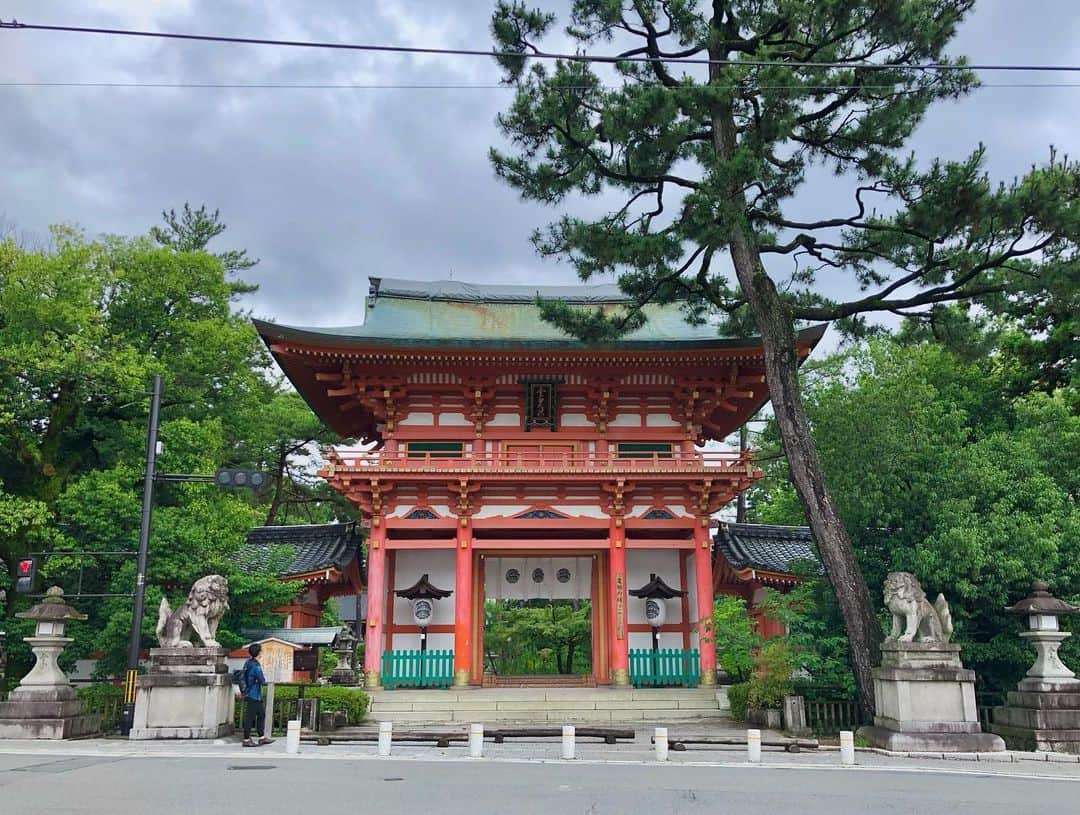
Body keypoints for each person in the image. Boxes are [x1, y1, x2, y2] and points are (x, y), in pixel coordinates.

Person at [241, 642, 274, 747]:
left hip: (251, 693)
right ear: (258, 652)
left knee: (261, 714)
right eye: (260, 651)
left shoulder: (248, 663)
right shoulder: (256, 666)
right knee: (250, 717)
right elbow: (262, 680)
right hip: (253, 694)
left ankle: (262, 737)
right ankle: (246, 739)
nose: (261, 652)